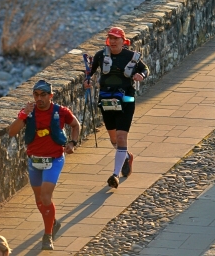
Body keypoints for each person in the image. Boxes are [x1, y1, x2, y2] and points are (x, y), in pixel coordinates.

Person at [8, 80, 80, 250]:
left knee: (46, 197)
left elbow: (75, 125)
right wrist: (23, 114)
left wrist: (72, 143)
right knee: (39, 199)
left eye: (43, 95)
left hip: (54, 159)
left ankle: (47, 236)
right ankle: (52, 221)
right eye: (36, 95)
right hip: (34, 160)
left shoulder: (61, 111)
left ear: (50, 96)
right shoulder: (28, 112)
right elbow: (11, 132)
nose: (39, 98)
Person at [84, 27, 149, 189]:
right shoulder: (101, 55)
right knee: (114, 139)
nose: (112, 41)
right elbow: (90, 72)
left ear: (123, 40)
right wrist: (87, 80)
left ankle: (115, 175)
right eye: (110, 38)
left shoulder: (131, 56)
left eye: (116, 38)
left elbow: (145, 69)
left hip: (126, 99)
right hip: (107, 101)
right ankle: (127, 156)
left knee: (121, 137)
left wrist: (141, 76)